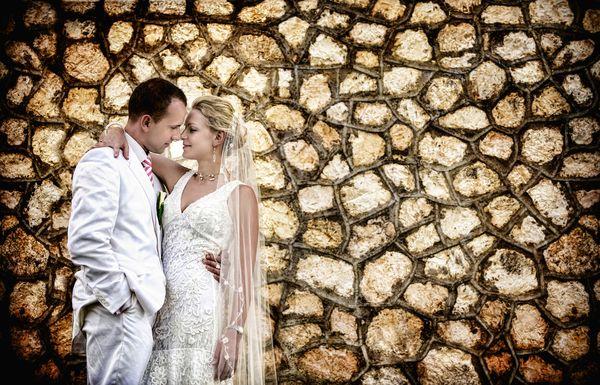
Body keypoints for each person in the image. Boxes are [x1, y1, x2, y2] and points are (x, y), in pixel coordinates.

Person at [99, 95, 276, 384]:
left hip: (203, 313)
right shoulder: (175, 175)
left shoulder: (239, 193)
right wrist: (114, 129)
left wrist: (234, 331)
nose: (182, 136)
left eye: (192, 130)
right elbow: (134, 147)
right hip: (160, 308)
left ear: (218, 137)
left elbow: (244, 270)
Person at [68, 78, 188, 385]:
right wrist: (121, 300)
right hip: (118, 310)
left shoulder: (144, 163)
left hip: (140, 308)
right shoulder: (104, 161)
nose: (177, 137)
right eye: (173, 127)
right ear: (147, 122)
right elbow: (86, 241)